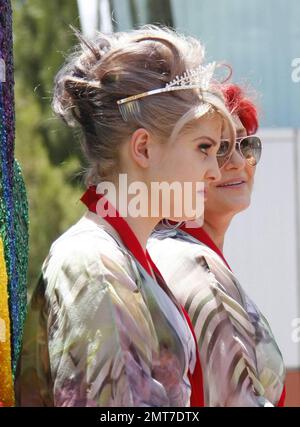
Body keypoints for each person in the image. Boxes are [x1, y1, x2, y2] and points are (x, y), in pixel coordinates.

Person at [15, 26, 236, 407]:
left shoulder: (124, 258)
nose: (215, 172)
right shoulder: (95, 265)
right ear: (144, 148)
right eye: (203, 148)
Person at [148, 84, 286, 407]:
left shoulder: (169, 251)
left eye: (246, 145)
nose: (238, 161)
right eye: (219, 148)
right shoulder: (192, 264)